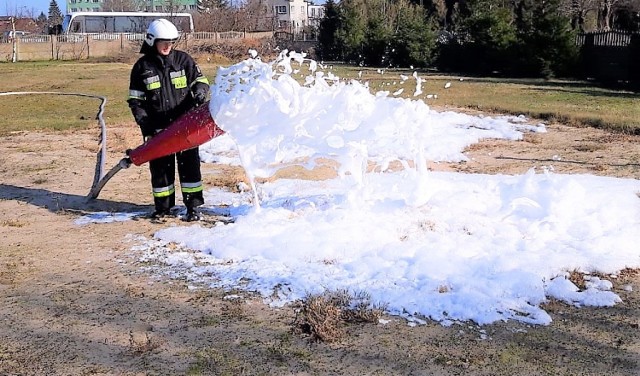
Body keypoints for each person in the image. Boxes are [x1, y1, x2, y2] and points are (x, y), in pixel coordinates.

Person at [127, 19, 210, 221]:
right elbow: (136, 101)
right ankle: (163, 209)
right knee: (161, 171)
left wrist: (200, 91)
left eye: (171, 42)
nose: (167, 46)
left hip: (186, 127)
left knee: (190, 167)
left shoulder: (183, 60)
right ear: (152, 41)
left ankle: (193, 208)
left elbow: (201, 80)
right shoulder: (142, 67)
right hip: (157, 129)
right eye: (163, 42)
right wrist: (145, 123)